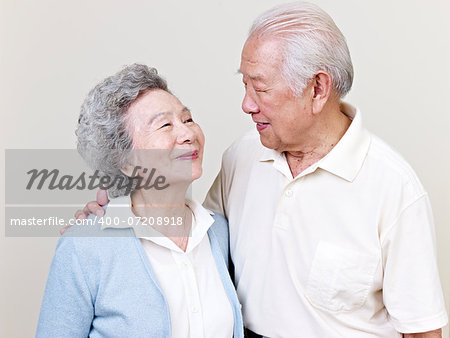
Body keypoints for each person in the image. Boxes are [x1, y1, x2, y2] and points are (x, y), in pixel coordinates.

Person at [77, 3, 448, 337]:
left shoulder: (392, 187)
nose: (246, 104)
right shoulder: (243, 155)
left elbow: (422, 331)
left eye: (260, 89)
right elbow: (194, 243)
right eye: (244, 85)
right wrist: (117, 218)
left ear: (318, 88)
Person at [37, 64, 244, 337]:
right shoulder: (84, 247)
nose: (187, 134)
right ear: (125, 161)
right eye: (165, 125)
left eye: (188, 119)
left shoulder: (220, 232)